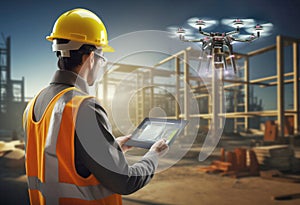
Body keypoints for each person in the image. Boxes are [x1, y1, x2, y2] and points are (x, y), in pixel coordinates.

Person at [23, 8, 169, 205]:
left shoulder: (34, 104)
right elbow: (124, 181)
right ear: (90, 59)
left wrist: (112, 148)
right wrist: (153, 155)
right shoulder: (84, 107)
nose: (102, 65)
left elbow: (63, 160)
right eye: (103, 59)